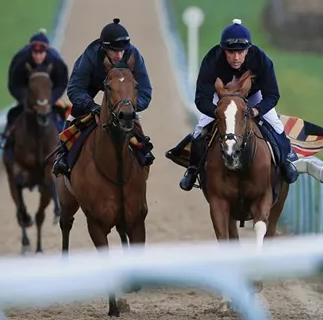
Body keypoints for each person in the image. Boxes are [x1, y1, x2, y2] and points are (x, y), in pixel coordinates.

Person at [167, 18, 299, 191]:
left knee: (276, 124)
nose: (236, 57)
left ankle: (285, 161)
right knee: (200, 128)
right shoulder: (211, 60)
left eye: (241, 52)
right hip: (221, 101)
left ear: (248, 50)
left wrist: (258, 111)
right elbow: (201, 98)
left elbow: (272, 94)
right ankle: (193, 170)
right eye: (231, 52)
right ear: (223, 50)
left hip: (252, 98)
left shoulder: (261, 59)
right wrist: (219, 112)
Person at [51, 18, 154, 177]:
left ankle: (142, 150)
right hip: (93, 83)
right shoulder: (91, 55)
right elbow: (75, 88)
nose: (119, 55)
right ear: (104, 48)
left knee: (128, 115)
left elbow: (145, 92)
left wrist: (128, 106)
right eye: (114, 51)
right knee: (77, 110)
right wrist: (91, 106)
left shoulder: (133, 56)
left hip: (122, 89)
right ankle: (63, 154)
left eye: (122, 51)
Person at [0, 29, 69, 149]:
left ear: (46, 51)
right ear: (30, 51)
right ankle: (7, 137)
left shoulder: (56, 62)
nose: (37, 56)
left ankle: (64, 141)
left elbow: (61, 83)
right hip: (28, 95)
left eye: (41, 53)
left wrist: (50, 99)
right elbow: (14, 84)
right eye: (34, 53)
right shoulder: (20, 60)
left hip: (48, 95)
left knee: (60, 114)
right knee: (14, 114)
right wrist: (26, 99)